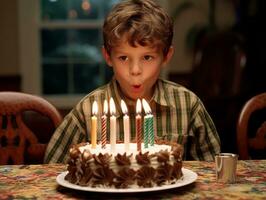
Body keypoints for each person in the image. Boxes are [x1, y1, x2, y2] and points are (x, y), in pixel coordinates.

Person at [44, 0, 221, 163]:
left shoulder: (188, 105)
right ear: (108, 57)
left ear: (166, 56)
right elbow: (50, 170)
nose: (135, 70)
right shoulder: (87, 110)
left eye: (147, 57)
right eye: (123, 58)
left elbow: (212, 171)